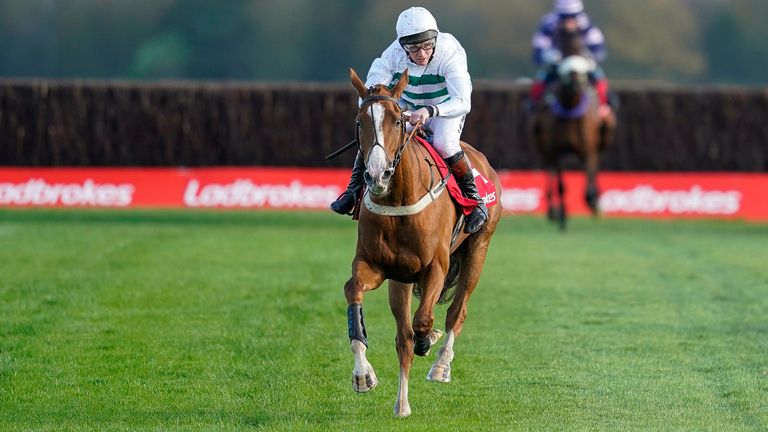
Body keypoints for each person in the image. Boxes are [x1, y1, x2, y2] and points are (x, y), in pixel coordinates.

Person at [330, 6, 487, 234]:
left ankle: (475, 203)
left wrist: (430, 111)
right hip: (408, 110)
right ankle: (352, 192)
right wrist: (394, 115)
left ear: (435, 38)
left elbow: (463, 101)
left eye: (427, 45)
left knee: (444, 143)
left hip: (445, 109)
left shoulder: (450, 51)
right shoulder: (390, 57)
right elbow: (368, 100)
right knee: (380, 138)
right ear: (402, 45)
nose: (422, 53)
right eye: (413, 48)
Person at [529, 0, 613, 119]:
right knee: (542, 78)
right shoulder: (549, 23)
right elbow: (539, 48)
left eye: (572, 16)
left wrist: (590, 57)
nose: (569, 21)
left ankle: (604, 105)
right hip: (557, 62)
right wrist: (549, 56)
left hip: (582, 61)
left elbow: (598, 47)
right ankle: (535, 105)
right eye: (565, 17)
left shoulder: (585, 22)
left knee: (598, 76)